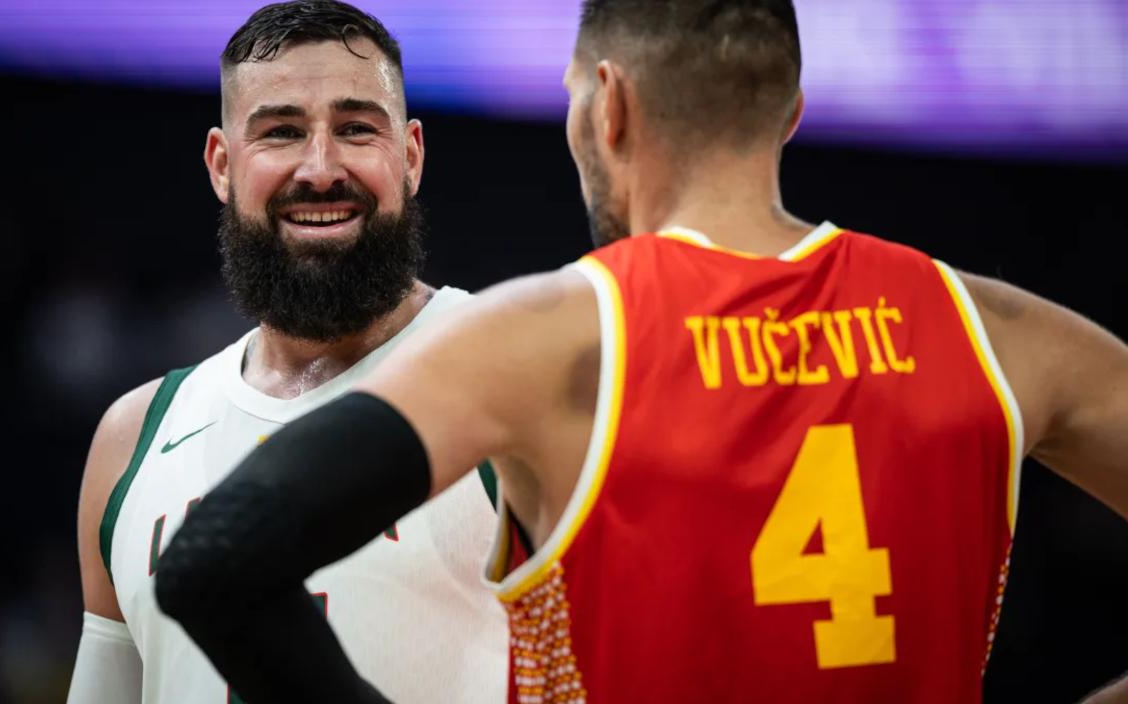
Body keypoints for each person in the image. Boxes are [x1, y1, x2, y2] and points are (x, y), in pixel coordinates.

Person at [154, 0, 1128, 702]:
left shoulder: (554, 336)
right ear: (789, 110)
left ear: (607, 106)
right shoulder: (989, 326)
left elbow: (217, 560)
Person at [66, 2, 508, 703]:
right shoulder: (133, 439)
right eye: (281, 131)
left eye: (356, 128)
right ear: (222, 165)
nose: (321, 168)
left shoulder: (513, 381)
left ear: (411, 156)